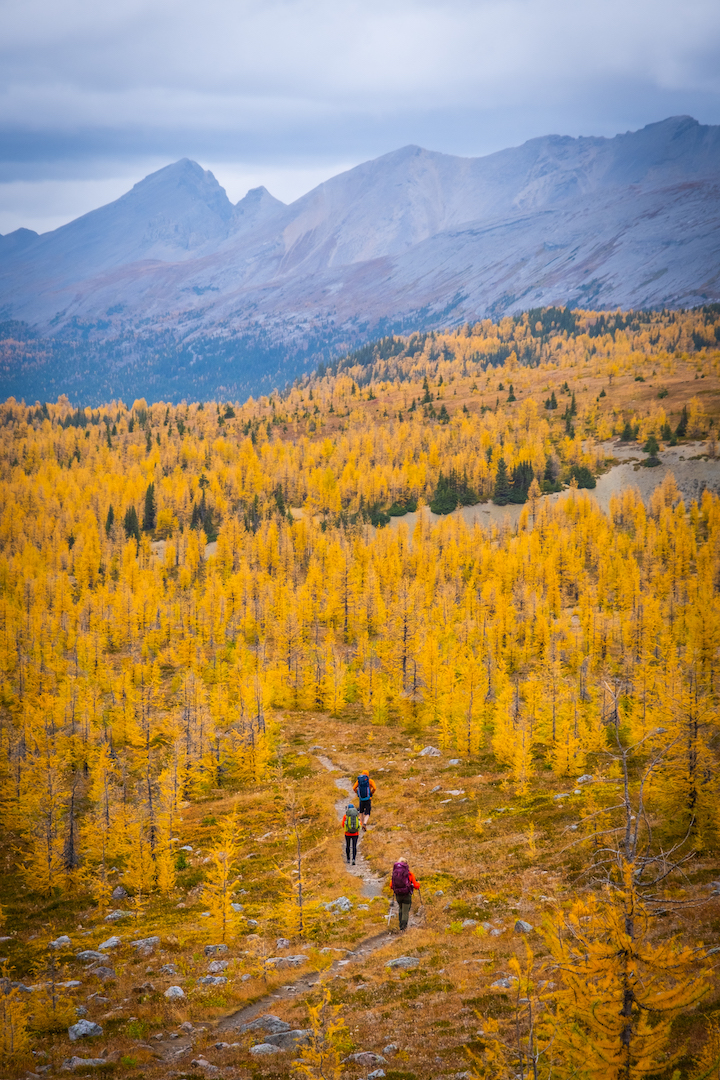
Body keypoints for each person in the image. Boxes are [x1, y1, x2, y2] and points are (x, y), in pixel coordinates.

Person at [389, 858, 420, 931]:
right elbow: (416, 886)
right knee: (405, 911)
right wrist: (418, 883)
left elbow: (391, 885)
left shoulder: (395, 873)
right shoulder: (409, 874)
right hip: (407, 895)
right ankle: (403, 928)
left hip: (398, 894)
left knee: (400, 909)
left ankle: (400, 926)